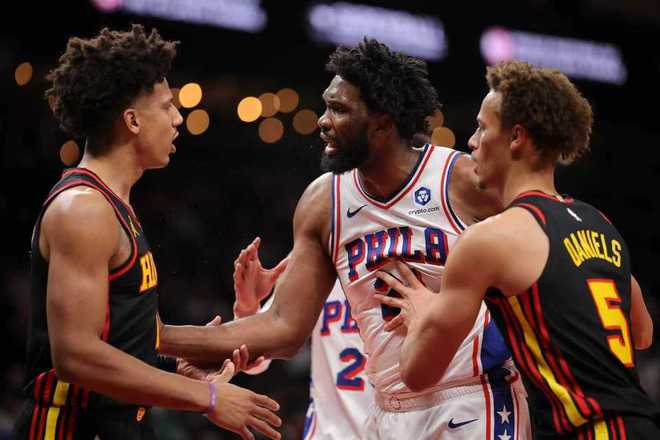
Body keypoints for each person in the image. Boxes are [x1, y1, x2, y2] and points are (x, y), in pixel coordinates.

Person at [160, 39, 530, 439]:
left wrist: (449, 316)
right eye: (326, 107)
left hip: (476, 396)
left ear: (382, 124)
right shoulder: (324, 202)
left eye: (338, 109)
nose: (322, 120)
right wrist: (158, 334)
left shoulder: (461, 180)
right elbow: (283, 327)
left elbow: (543, 269)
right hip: (389, 410)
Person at [12, 25, 281, 440]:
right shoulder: (83, 209)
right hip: (67, 428)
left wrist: (178, 370)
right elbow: (76, 355)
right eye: (167, 106)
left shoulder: (116, 205)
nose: (177, 118)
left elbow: (125, 337)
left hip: (121, 423)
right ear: (133, 120)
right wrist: (205, 397)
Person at [375, 60, 659, 438]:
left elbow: (417, 373)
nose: (472, 141)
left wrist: (422, 316)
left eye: (482, 127)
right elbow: (642, 334)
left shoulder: (489, 239)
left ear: (516, 137)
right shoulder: (598, 222)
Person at [232, 238, 374, 439]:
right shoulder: (316, 252)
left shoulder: (412, 245)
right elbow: (258, 361)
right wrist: (247, 309)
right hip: (330, 432)